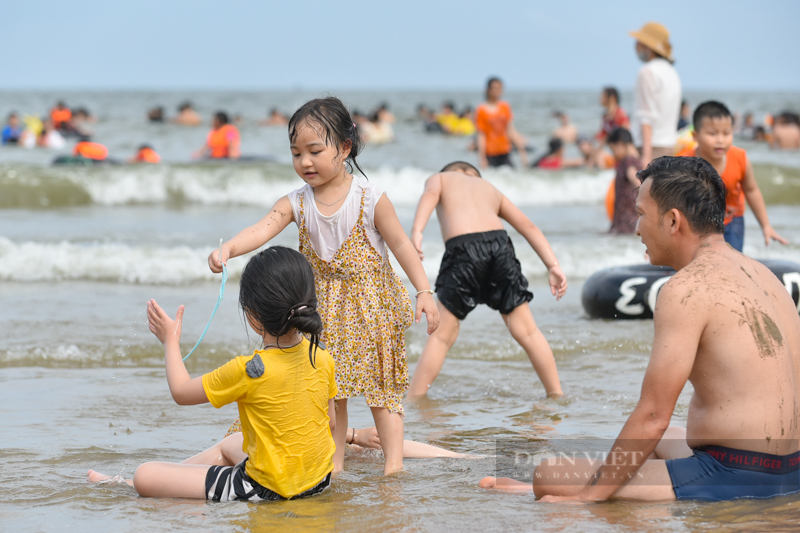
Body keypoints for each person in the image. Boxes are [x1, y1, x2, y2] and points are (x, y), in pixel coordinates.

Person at [481, 156, 800, 502]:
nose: (636, 228)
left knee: (549, 473)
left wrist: (590, 497)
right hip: (790, 468)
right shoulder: (764, 276)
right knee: (664, 441)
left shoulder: (686, 288)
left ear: (673, 221)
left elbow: (652, 416)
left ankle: (584, 489)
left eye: (642, 214)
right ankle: (603, 485)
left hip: (734, 477)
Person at [207, 97, 440, 476]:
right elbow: (263, 228)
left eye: (315, 151)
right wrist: (230, 248)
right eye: (296, 153)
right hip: (323, 314)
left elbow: (401, 246)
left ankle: (393, 466)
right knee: (332, 394)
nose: (305, 162)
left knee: (383, 395)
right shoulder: (297, 203)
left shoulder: (370, 198)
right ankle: (334, 468)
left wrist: (424, 292)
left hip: (372, 309)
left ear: (345, 148)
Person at [88, 247, 338, 501]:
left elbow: (181, 392)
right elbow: (330, 423)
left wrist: (170, 341)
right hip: (317, 480)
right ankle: (174, 479)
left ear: (254, 315)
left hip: (267, 489)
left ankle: (133, 483)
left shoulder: (249, 370)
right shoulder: (322, 356)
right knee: (232, 442)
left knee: (145, 474)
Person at [407, 161, 565, 398]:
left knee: (441, 336)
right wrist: (553, 266)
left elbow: (429, 194)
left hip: (463, 250)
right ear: (474, 175)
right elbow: (528, 226)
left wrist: (417, 231)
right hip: (499, 247)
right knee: (528, 331)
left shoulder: (440, 179)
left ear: (450, 171)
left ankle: (414, 398)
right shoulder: (488, 187)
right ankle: (556, 393)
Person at [677, 101, 787, 251]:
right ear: (695, 136)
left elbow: (751, 190)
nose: (721, 140)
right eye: (712, 133)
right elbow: (673, 201)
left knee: (732, 261)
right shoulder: (684, 164)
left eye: (726, 133)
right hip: (697, 221)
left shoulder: (739, 158)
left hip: (732, 221)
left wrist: (766, 226)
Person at [629, 22, 682, 166]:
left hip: (650, 147)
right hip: (669, 146)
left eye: (639, 42)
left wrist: (646, 156)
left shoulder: (647, 71)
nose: (635, 46)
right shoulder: (672, 72)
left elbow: (646, 117)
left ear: (648, 46)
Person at [476, 77, 528, 168]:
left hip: (504, 150)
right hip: (490, 152)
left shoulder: (505, 107)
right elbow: (481, 135)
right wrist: (482, 158)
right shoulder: (481, 110)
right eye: (495, 88)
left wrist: (522, 152)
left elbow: (511, 130)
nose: (497, 91)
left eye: (500, 88)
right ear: (488, 90)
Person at [607, 128, 642, 234]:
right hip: (631, 217)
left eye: (613, 150)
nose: (614, 155)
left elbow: (634, 178)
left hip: (626, 217)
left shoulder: (627, 160)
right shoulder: (638, 160)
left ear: (621, 144)